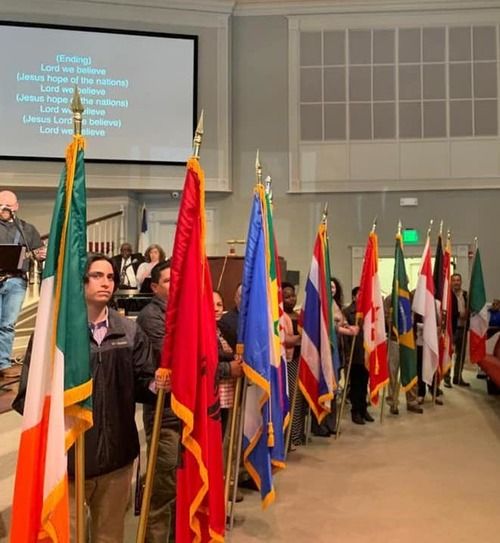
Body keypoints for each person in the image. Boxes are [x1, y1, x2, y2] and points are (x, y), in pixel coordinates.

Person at [14, 254, 166, 542]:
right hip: (66, 460)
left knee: (109, 536)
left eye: (110, 277)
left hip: (116, 459)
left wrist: (158, 384)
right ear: (80, 281)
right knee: (65, 535)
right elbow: (28, 398)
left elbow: (143, 384)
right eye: (97, 276)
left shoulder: (129, 331)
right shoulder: (54, 336)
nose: (105, 283)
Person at [136, 260, 179, 543]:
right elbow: (172, 355)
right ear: (154, 287)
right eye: (167, 281)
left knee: (179, 483)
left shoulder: (186, 312)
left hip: (187, 410)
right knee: (162, 485)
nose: (175, 285)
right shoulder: (151, 316)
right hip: (165, 413)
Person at [0, 190, 45, 379]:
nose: (4, 208)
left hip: (16, 281)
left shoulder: (26, 229)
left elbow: (39, 251)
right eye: (0, 204)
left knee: (8, 324)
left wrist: (40, 255)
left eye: (8, 205)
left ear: (16, 207)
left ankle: (3, 364)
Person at [383, 294, 424, 415]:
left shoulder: (412, 297)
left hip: (409, 340)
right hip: (394, 339)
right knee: (393, 372)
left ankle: (412, 401)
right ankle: (393, 402)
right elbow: (385, 318)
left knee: (411, 371)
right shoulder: (390, 299)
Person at [343, 287, 374, 425]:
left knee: (364, 383)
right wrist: (347, 353)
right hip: (354, 354)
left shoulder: (369, 312)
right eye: (359, 295)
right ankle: (355, 411)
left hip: (366, 353)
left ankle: (363, 409)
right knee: (355, 384)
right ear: (354, 297)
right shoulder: (348, 312)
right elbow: (345, 338)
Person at [281, 282, 306, 447]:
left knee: (299, 400)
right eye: (287, 296)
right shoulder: (281, 317)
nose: (291, 299)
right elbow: (285, 340)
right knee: (291, 399)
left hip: (300, 361)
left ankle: (297, 434)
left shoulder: (298, 315)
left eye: (293, 295)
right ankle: (289, 436)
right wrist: (303, 337)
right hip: (288, 363)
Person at [445, 273, 470, 387]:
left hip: (463, 329)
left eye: (458, 280)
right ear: (451, 282)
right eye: (454, 280)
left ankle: (457, 377)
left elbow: (470, 308)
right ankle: (447, 378)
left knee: (461, 355)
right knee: (449, 354)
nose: (456, 282)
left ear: (461, 282)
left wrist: (468, 314)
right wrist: (459, 314)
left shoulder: (466, 294)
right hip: (452, 329)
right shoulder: (448, 296)